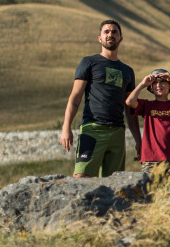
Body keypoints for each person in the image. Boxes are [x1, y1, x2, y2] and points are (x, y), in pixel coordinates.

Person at [60, 20, 142, 178]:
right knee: (81, 178)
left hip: (117, 132)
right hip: (92, 129)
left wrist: (138, 140)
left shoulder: (127, 71)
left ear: (121, 38)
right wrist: (66, 127)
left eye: (114, 32)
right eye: (106, 32)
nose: (110, 35)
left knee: (114, 185)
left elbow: (130, 109)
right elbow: (75, 98)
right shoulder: (89, 62)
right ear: (100, 38)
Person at [125, 68, 170, 175]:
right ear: (151, 88)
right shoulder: (146, 105)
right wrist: (142, 84)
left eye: (163, 82)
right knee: (151, 190)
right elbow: (129, 101)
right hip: (151, 159)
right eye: (155, 83)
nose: (159, 85)